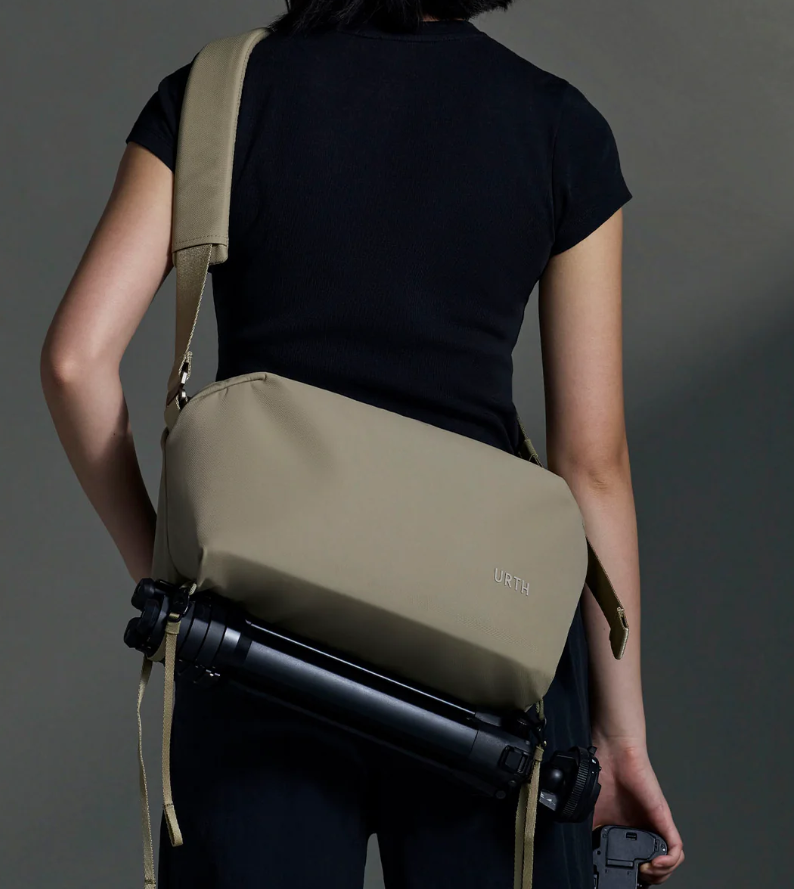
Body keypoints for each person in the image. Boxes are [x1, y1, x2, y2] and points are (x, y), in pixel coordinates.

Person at [39, 2, 685, 887]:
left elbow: (75, 363)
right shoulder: (557, 125)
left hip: (258, 637)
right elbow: (592, 464)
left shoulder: (215, 94)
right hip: (485, 648)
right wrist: (621, 738)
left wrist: (167, 575)